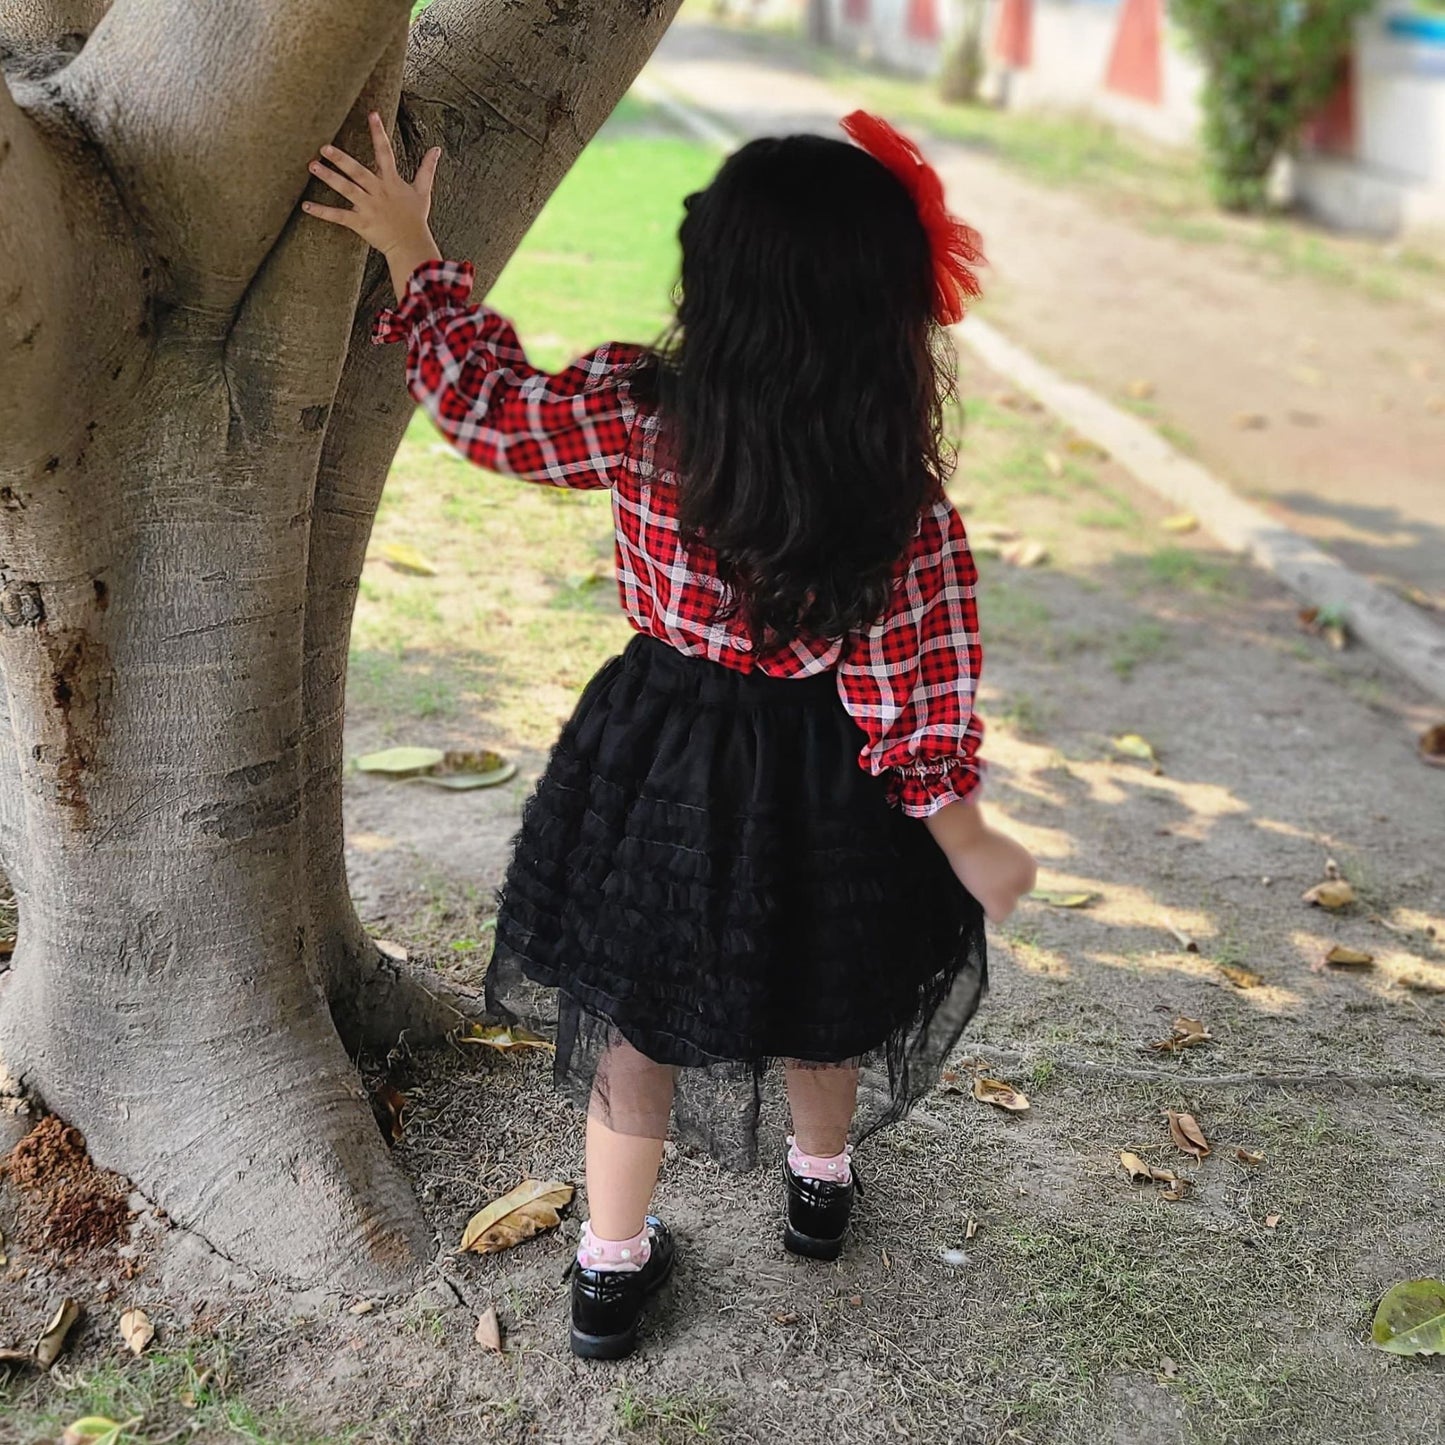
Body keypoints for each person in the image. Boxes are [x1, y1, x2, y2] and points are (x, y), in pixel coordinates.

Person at [305, 109, 1037, 1362]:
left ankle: (606, 1270)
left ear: (714, 290)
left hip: (658, 761)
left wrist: (414, 255)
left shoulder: (635, 413)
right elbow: (912, 692)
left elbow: (490, 410)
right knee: (821, 994)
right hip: (826, 781)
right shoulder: (896, 500)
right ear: (884, 322)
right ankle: (818, 1185)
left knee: (632, 1023)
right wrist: (962, 834)